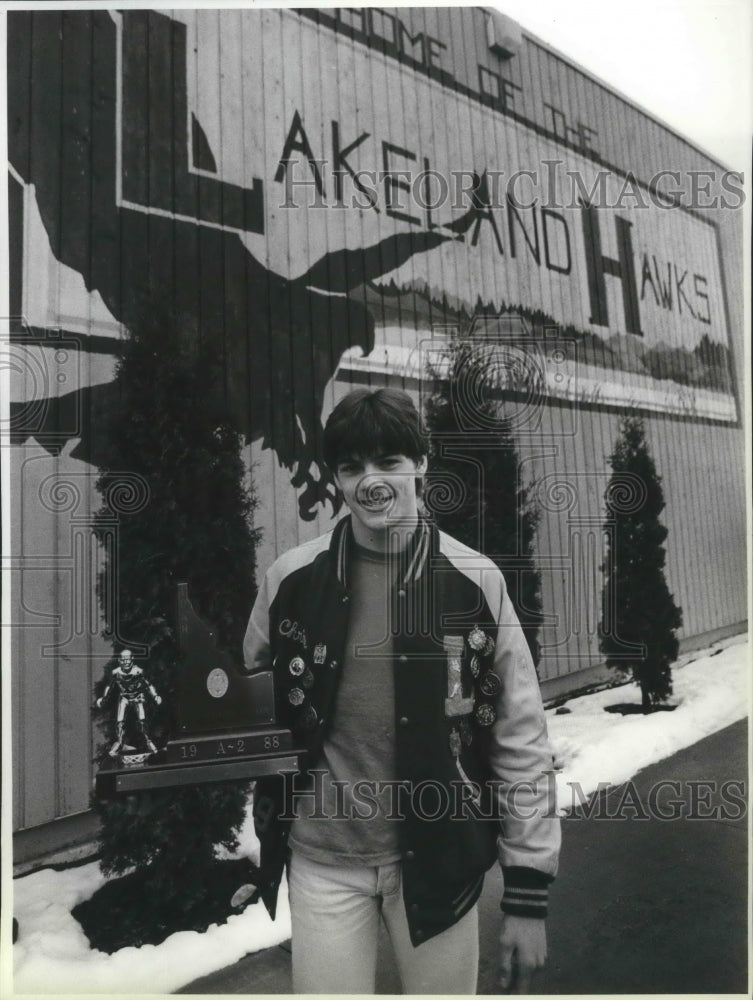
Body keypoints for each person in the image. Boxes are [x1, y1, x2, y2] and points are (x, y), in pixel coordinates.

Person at [243, 387, 560, 994]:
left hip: (439, 861)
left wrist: (527, 897)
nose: (371, 481)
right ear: (335, 477)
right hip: (322, 863)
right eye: (352, 465)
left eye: (388, 462)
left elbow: (520, 737)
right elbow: (253, 693)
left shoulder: (474, 582)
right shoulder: (290, 580)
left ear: (420, 463)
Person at [96, 649, 162, 756]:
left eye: (128, 660)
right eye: (123, 660)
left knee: (142, 720)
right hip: (124, 697)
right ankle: (119, 741)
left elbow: (148, 684)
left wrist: (155, 695)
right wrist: (104, 698)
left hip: (137, 697)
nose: (126, 663)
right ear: (119, 660)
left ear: (132, 660)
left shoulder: (138, 672)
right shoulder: (116, 673)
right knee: (120, 721)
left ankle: (148, 740)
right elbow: (110, 686)